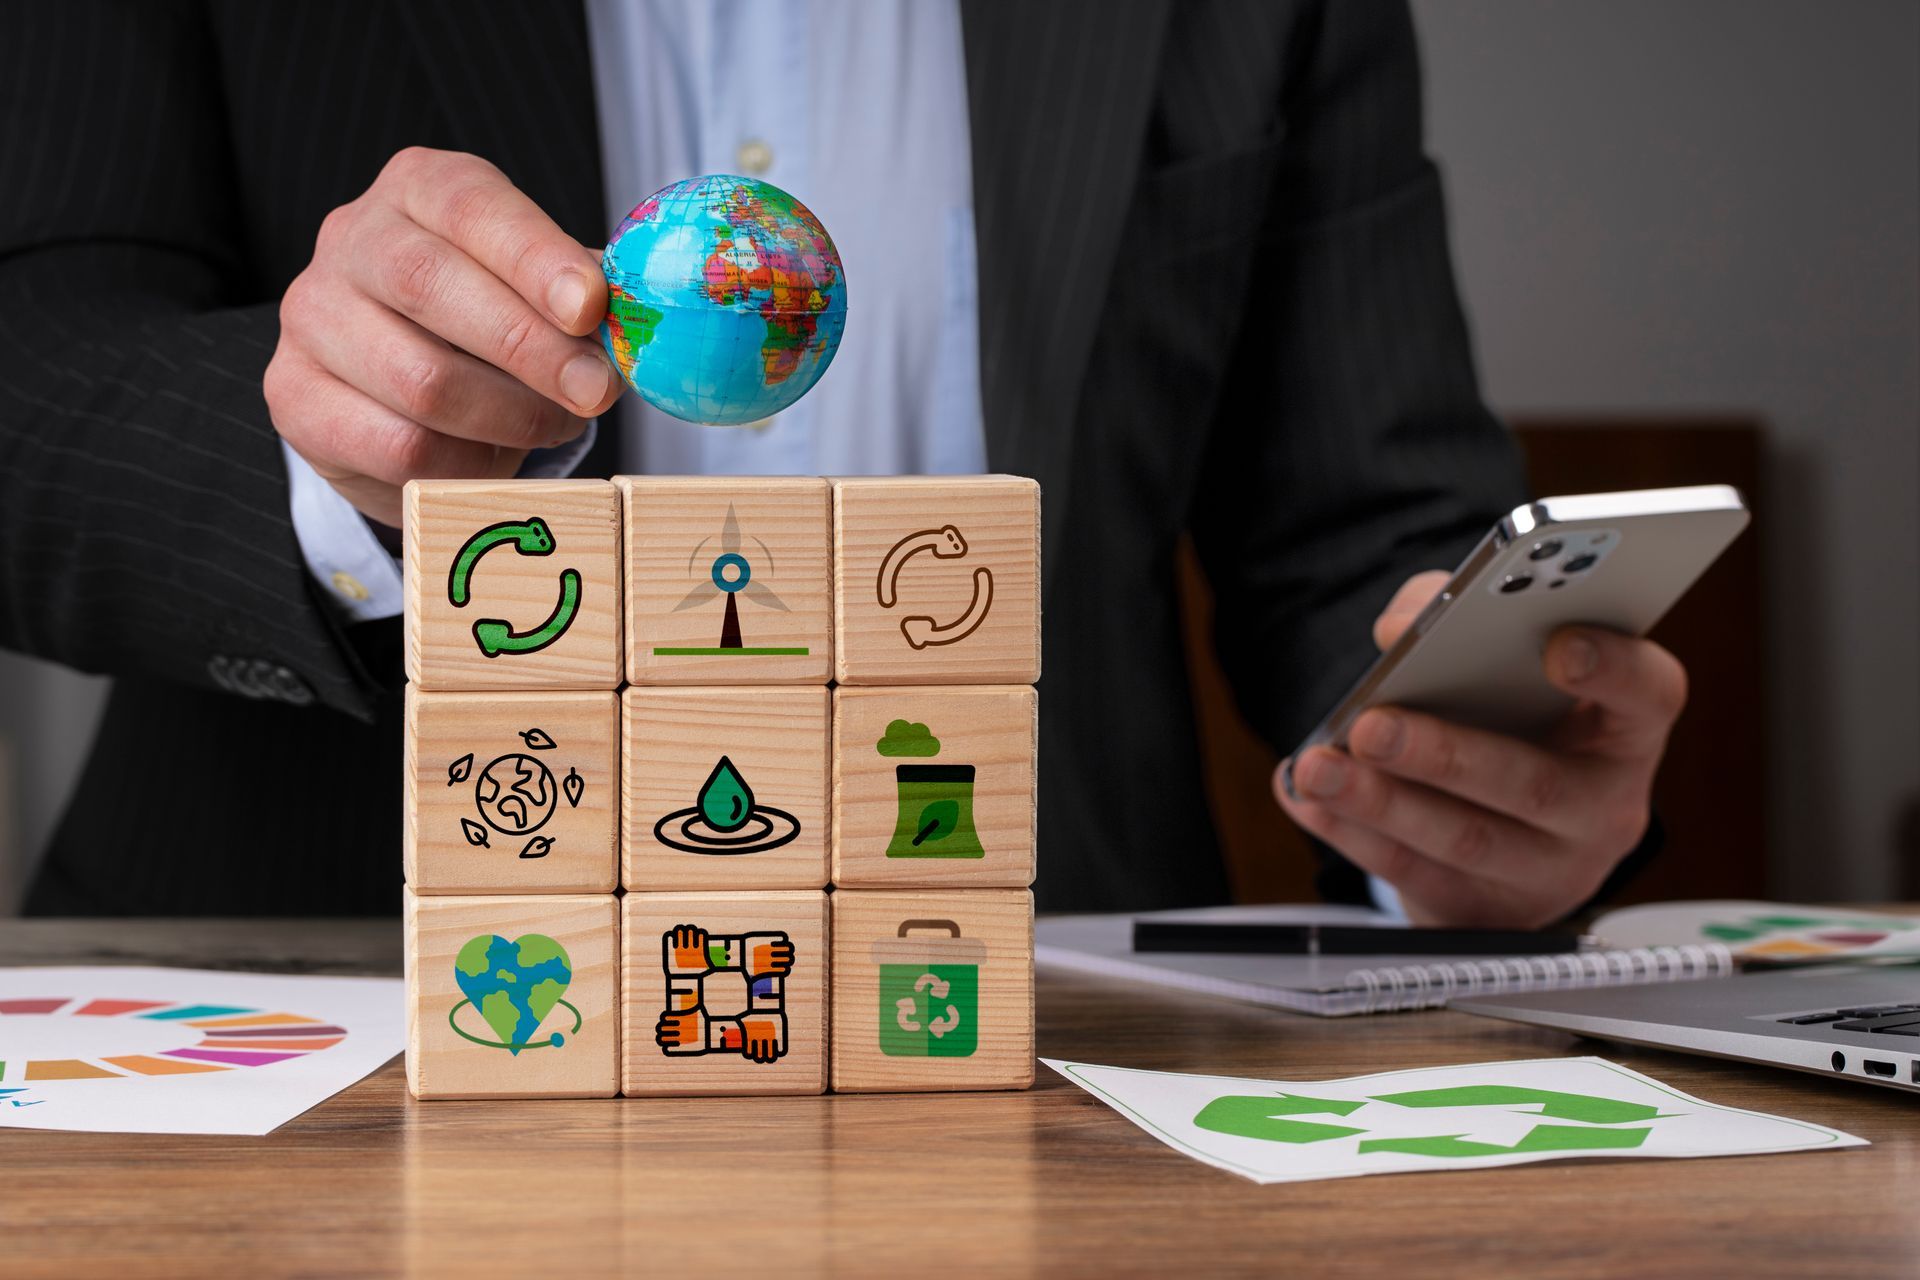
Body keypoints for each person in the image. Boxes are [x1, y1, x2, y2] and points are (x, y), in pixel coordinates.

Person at [0, 0, 1682, 923]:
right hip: (341, 987)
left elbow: (1360, 530)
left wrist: (1472, 782)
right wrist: (338, 452)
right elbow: (28, 385)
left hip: (1021, 1009)